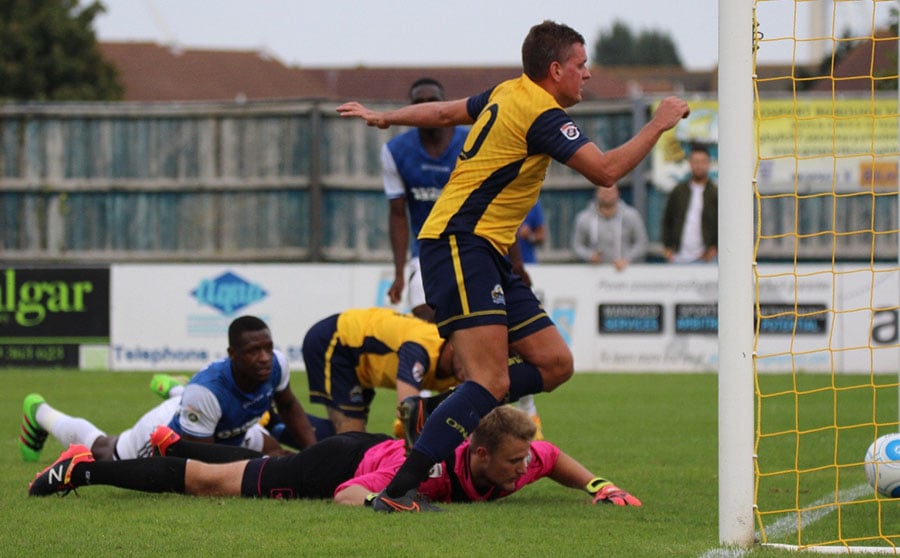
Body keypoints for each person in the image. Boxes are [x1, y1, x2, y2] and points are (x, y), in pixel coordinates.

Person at [337, 20, 689, 512]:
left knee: (554, 364)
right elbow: (605, 170)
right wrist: (659, 121)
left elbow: (442, 111)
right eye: (581, 65)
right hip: (458, 243)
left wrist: (386, 116)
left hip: (486, 250)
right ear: (555, 70)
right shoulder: (543, 114)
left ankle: (433, 411)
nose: (586, 75)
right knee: (490, 382)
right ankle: (397, 492)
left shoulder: (509, 91)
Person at [28, 405, 641, 511]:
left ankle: (176, 443)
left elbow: (555, 457)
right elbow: (352, 496)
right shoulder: (423, 473)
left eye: (522, 462)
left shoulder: (519, 453)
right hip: (339, 465)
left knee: (221, 471)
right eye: (512, 464)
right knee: (212, 486)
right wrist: (390, 503)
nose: (522, 471)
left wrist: (600, 487)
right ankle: (82, 468)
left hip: (365, 451)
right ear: (477, 454)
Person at [17, 316, 320, 462]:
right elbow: (197, 458)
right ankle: (39, 412)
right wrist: (262, 465)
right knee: (104, 450)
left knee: (281, 455)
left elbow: (290, 406)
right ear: (232, 354)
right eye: (254, 351)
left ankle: (178, 391)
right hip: (171, 434)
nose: (264, 357)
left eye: (268, 347)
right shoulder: (208, 391)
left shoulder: (277, 365)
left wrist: (313, 453)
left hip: (228, 426)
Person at [384, 78, 470, 322]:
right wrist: (399, 274)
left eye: (433, 101)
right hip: (426, 252)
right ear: (410, 109)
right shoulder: (395, 151)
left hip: (472, 248)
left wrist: (514, 261)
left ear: (445, 104)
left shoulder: (473, 143)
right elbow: (398, 214)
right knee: (425, 317)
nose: (426, 107)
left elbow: (496, 203)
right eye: (418, 102)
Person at [303, 307, 460, 435]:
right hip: (337, 341)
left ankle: (283, 423)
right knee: (352, 433)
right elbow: (407, 416)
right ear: (453, 346)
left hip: (359, 359)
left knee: (353, 436)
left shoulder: (461, 364)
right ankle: (284, 422)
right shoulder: (420, 348)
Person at [661, 144, 718, 263]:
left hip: (706, 258)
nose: (699, 166)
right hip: (678, 256)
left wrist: (715, 248)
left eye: (703, 162)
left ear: (708, 164)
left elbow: (722, 223)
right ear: (690, 164)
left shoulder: (715, 193)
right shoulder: (678, 191)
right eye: (695, 162)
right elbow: (667, 220)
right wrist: (667, 248)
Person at [571, 183, 648, 270]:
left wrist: (626, 259)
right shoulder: (583, 218)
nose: (607, 194)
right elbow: (577, 246)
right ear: (596, 193)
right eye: (603, 191)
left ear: (618, 193)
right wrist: (589, 256)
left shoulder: (632, 216)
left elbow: (641, 243)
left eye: (611, 191)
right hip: (594, 273)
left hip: (626, 273)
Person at [516, 200, 546, 264]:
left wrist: (529, 236)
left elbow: (541, 236)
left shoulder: (534, 203)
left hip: (527, 263)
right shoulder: (501, 200)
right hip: (503, 264)